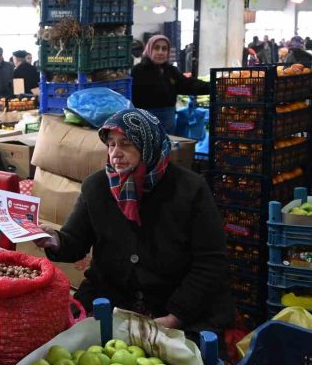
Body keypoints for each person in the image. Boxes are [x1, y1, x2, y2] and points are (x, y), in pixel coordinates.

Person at [34, 108, 235, 347]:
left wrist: (174, 317)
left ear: (148, 145)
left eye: (126, 144)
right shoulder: (96, 187)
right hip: (112, 297)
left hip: (174, 301)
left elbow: (211, 262)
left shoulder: (190, 189)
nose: (115, 153)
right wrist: (55, 240)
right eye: (110, 145)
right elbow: (74, 240)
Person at [131, 35, 209, 135]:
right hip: (145, 121)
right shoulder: (138, 71)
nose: (160, 52)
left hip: (168, 120)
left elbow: (188, 84)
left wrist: (212, 87)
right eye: (156, 48)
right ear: (149, 49)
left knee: (167, 147)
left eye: (164, 49)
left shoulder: (171, 71)